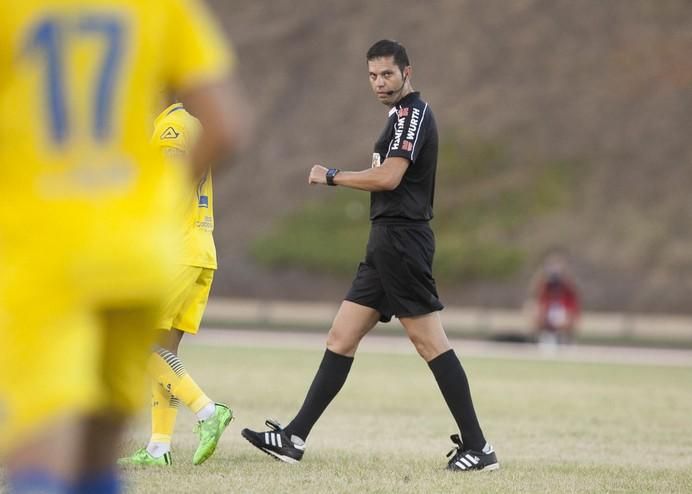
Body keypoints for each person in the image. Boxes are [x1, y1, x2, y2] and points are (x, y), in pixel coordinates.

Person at [0, 1, 250, 492]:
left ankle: (205, 407)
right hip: (141, 251)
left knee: (37, 446)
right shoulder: (157, 9)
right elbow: (230, 124)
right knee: (98, 448)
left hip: (52, 244)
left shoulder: (19, 10)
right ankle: (159, 444)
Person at [241, 39, 498, 473]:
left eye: (387, 75)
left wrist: (333, 176)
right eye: (373, 76)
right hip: (384, 242)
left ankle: (479, 447)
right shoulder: (396, 116)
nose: (379, 83)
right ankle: (293, 437)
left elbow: (391, 177)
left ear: (407, 73)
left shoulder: (412, 114)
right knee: (341, 337)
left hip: (403, 241)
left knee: (429, 342)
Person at [117, 103, 232, 467]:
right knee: (163, 353)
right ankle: (159, 447)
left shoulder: (172, 126)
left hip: (177, 251)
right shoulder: (194, 124)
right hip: (198, 249)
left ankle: (207, 410)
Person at [529, 252, 581, 346]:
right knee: (535, 312)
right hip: (548, 316)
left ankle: (565, 340)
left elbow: (573, 307)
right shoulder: (543, 285)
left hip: (563, 314)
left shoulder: (568, 286)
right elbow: (537, 299)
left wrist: (568, 320)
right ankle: (543, 339)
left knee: (566, 323)